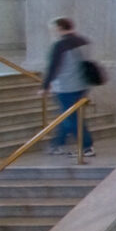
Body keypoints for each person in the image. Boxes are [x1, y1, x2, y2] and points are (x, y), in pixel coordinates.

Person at [41, 17, 96, 158]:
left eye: (53, 29)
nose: (53, 32)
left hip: (66, 86)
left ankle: (86, 147)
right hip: (82, 84)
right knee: (67, 116)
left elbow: (54, 67)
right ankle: (57, 144)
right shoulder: (83, 41)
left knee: (71, 118)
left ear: (59, 28)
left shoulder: (61, 45)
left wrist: (45, 86)